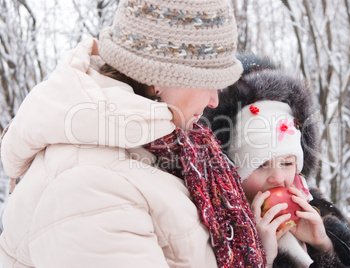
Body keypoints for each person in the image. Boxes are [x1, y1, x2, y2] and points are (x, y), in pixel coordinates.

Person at [0, 1, 269, 267]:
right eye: (210, 82)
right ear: (158, 77)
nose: (213, 100)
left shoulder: (169, 146)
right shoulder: (87, 188)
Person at [202, 57, 350, 267]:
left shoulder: (315, 211)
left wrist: (324, 246)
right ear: (234, 170)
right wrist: (258, 257)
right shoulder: (220, 228)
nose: (278, 177)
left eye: (286, 164)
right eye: (261, 164)